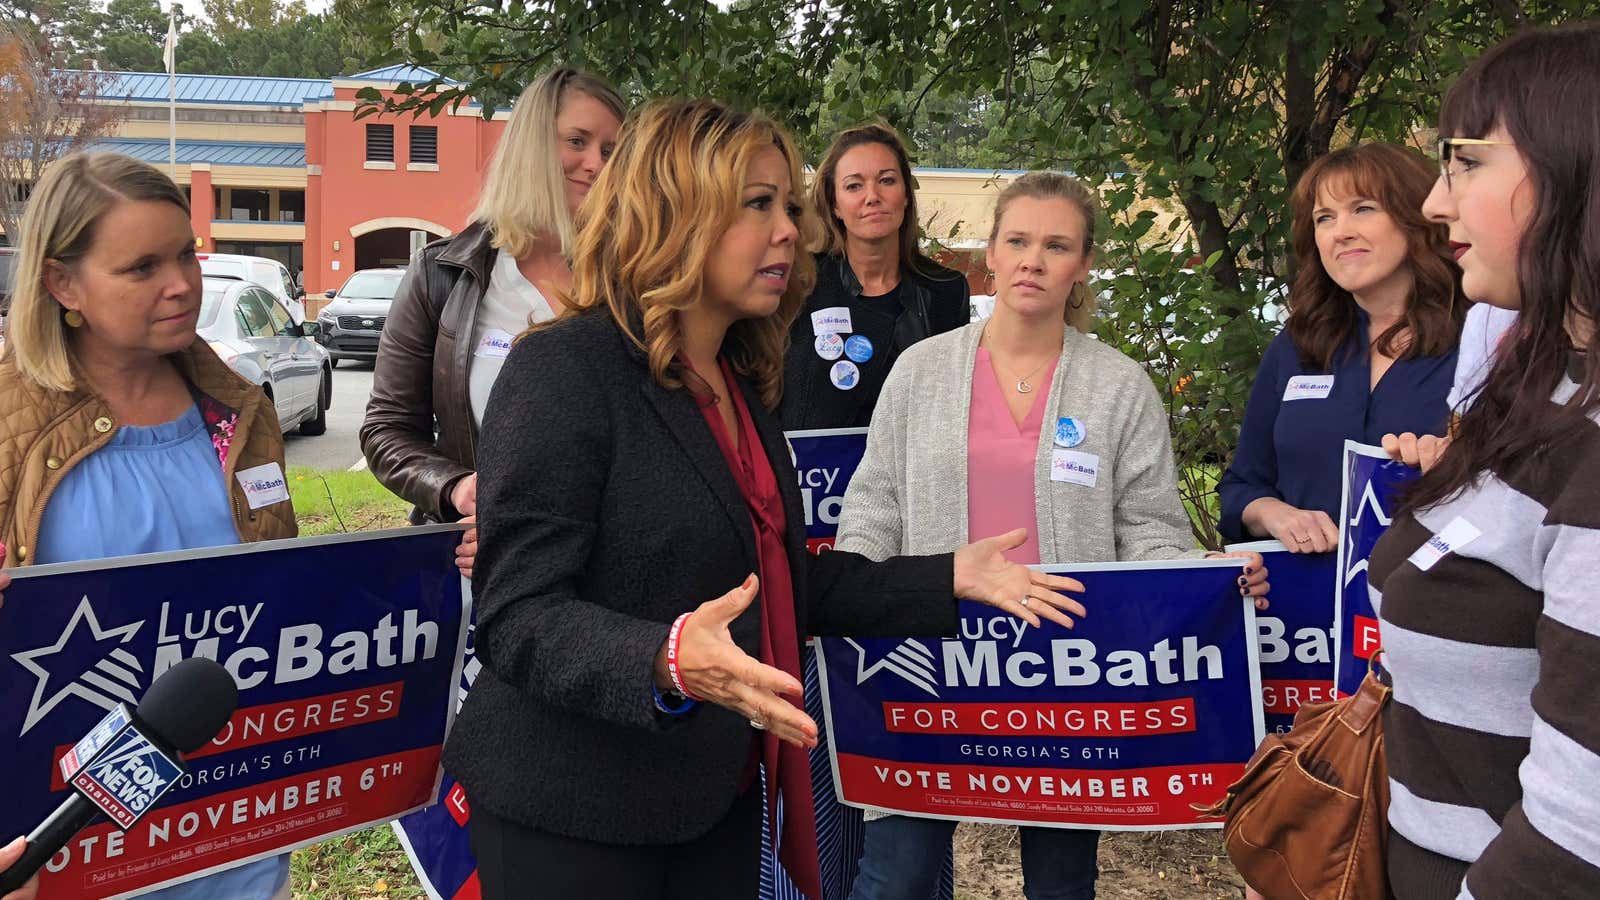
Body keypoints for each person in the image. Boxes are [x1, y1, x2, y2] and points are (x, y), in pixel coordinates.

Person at [441, 98, 1089, 900]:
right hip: (577, 813)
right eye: (758, 204)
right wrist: (664, 658)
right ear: (673, 211)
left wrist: (947, 574)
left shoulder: (738, 380)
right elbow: (517, 615)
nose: (791, 228)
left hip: (712, 795)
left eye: (789, 204)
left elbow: (779, 583)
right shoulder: (565, 372)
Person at [836, 171, 1269, 900]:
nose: (1034, 259)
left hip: (1065, 673)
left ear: (1082, 264)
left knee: (1062, 884)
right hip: (930, 662)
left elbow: (1148, 530)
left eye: (1056, 245)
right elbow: (874, 505)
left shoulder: (1119, 385)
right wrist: (852, 588)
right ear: (993, 257)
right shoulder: (920, 373)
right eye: (1019, 241)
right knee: (896, 876)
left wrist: (1201, 574)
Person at [0, 153, 296, 897]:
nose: (183, 285)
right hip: (63, 838)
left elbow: (284, 596)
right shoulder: (9, 427)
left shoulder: (241, 410)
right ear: (62, 284)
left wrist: (428, 568)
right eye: (141, 268)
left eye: (186, 255)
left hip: (233, 823)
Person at [1369, 23, 1600, 899]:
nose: (1435, 203)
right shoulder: (1535, 393)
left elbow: (1580, 844)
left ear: (1577, 159)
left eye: (1464, 160)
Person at [360, 66, 624, 577]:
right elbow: (386, 430)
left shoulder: (636, 281)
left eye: (612, 152)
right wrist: (458, 488)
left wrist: (538, 536)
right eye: (577, 140)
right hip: (472, 572)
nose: (596, 164)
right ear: (530, 147)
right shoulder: (443, 275)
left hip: (606, 575)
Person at [1218, 143, 1464, 551]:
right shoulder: (1297, 346)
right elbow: (1242, 485)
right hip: (1301, 607)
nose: (1341, 231)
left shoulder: (1483, 340)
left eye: (1363, 208)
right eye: (1324, 218)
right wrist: (1275, 514)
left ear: (1416, 218)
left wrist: (1456, 467)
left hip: (1428, 602)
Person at [779, 123, 970, 430]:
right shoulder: (800, 283)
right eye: (854, 186)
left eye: (887, 180)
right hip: (818, 474)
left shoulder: (946, 292)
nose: (872, 196)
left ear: (906, 195)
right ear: (834, 205)